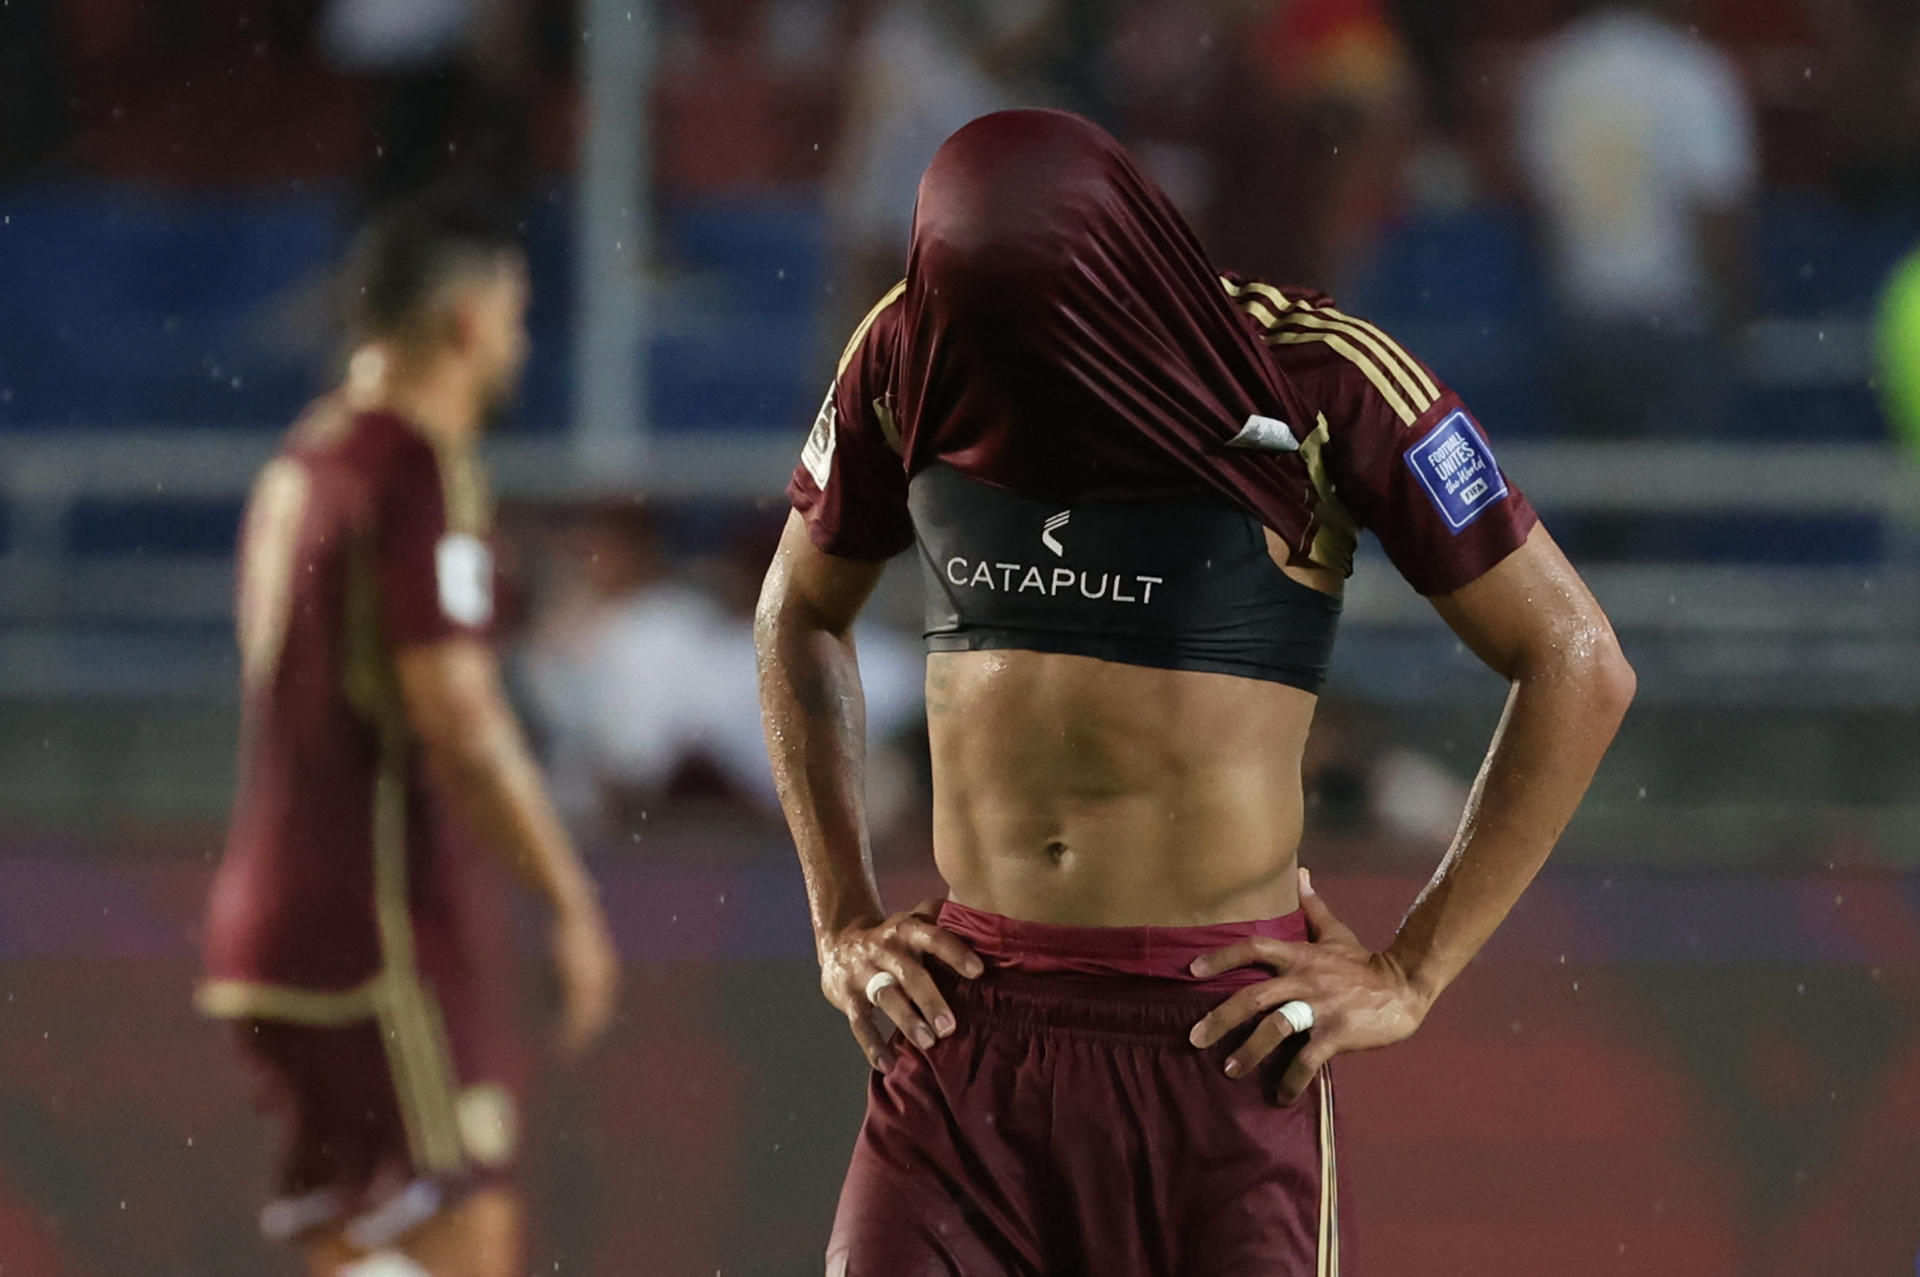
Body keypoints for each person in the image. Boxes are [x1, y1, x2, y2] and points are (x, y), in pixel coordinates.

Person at [756, 110, 1635, 1275]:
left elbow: (1578, 661)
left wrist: (1411, 972)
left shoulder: (1320, 380)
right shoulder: (912, 344)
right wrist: (840, 922)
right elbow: (797, 613)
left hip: (1222, 1042)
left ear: (1122, 270)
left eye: (1040, 333)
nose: (1012, 365)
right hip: (967, 1031)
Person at [197, 193, 619, 1277]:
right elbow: (460, 720)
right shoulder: (416, 467)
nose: (518, 344)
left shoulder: (301, 460)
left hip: (265, 921)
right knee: (467, 1227)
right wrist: (567, 899)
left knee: (357, 1242)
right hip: (371, 929)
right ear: (469, 321)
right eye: (515, 317)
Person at [1514, 0, 1757, 438]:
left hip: (1583, 326)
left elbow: (1536, 213)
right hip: (1673, 329)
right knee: (1680, 491)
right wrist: (1737, 326)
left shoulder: (1552, 71)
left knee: (1599, 490)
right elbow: (1717, 220)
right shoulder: (1689, 71)